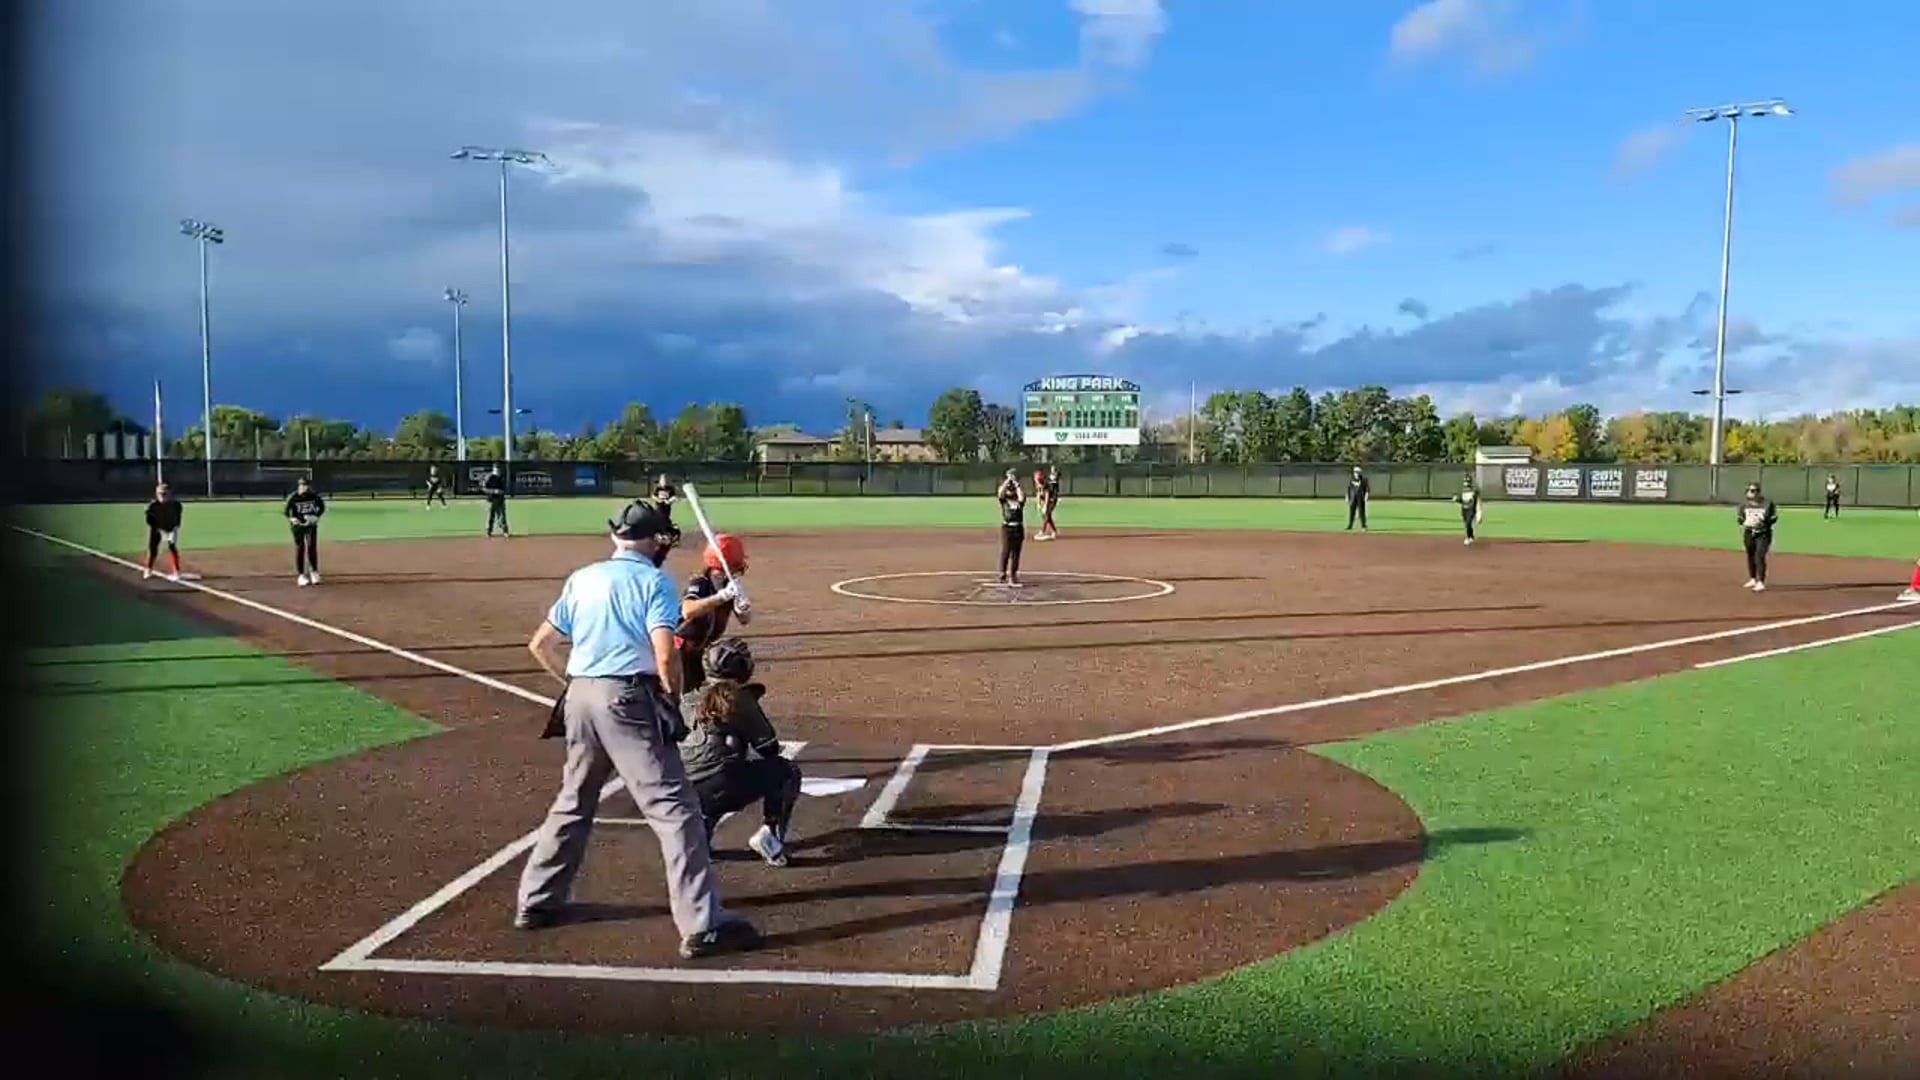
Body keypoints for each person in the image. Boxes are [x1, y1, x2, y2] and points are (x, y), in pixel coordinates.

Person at [516, 497, 762, 960]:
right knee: (677, 810)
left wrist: (578, 685)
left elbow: (541, 645)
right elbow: (666, 654)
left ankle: (537, 900)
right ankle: (702, 924)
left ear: (617, 536)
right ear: (655, 541)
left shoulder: (583, 577)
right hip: (628, 698)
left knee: (573, 800)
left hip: (580, 697)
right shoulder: (653, 582)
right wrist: (671, 699)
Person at [680, 637, 800, 867]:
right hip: (719, 786)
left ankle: (699, 841)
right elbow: (769, 747)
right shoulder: (739, 698)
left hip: (683, 788)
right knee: (787, 771)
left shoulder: (689, 696)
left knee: (715, 770)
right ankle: (771, 835)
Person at [676, 533, 750, 692]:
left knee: (702, 691)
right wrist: (721, 597)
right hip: (680, 651)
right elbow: (688, 610)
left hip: (702, 649)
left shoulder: (730, 584)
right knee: (684, 693)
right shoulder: (701, 582)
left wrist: (742, 608)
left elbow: (745, 620)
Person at [1736, 481, 1779, 592]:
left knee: (1759, 556)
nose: (1754, 493)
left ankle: (1761, 582)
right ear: (1747, 492)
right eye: (1752, 491)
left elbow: (1774, 518)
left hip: (1763, 533)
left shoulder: (1767, 503)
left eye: (1757, 491)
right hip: (1749, 533)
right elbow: (1740, 518)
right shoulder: (1744, 504)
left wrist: (1764, 522)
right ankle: (1753, 579)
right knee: (1750, 555)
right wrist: (1744, 522)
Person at [284, 476, 326, 586]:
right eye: (302, 485)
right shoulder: (293, 497)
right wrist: (292, 519)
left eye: (306, 485)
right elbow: (286, 511)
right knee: (300, 548)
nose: (304, 488)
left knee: (312, 547)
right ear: (299, 486)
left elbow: (322, 507)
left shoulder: (313, 496)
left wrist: (316, 516)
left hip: (310, 525)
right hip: (298, 526)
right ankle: (301, 575)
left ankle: (314, 572)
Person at [143, 482, 184, 581]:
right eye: (160, 494)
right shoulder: (152, 506)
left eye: (165, 494)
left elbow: (177, 520)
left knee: (172, 547)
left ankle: (176, 571)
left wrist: (174, 531)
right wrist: (161, 532)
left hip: (170, 527)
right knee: (153, 549)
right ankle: (148, 569)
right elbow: (150, 522)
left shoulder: (176, 505)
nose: (162, 496)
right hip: (156, 528)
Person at [995, 469, 1026, 587]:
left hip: (1018, 527)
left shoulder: (1019, 498)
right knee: (1006, 550)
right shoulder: (1004, 499)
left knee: (1016, 553)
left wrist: (1016, 484)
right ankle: (1002, 572)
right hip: (1007, 527)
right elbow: (1000, 493)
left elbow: (1022, 497)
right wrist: (1008, 480)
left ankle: (1013, 574)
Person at [1454, 476, 1483, 546]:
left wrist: (1479, 514)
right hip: (1464, 509)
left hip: (1471, 510)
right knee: (1467, 524)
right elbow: (1463, 501)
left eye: (1467, 481)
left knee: (1468, 523)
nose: (1466, 483)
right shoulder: (1463, 491)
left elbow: (1476, 502)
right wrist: (1457, 500)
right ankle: (1471, 536)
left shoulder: (1474, 491)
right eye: (1465, 481)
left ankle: (1467, 538)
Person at [1034, 466, 1061, 541]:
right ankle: (1054, 531)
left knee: (1046, 515)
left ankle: (1042, 531)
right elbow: (1038, 493)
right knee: (1046, 516)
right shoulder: (1038, 484)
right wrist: (1038, 503)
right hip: (1045, 500)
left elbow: (1047, 494)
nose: (1035, 479)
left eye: (1036, 478)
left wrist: (1045, 505)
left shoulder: (1045, 483)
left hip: (1051, 499)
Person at [482, 466, 509, 537]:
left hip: (500, 500)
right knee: (490, 516)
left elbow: (505, 488)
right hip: (491, 500)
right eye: (496, 470)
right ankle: (488, 531)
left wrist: (501, 491)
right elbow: (484, 489)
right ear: (493, 470)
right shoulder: (488, 478)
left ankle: (505, 531)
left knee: (502, 517)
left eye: (498, 470)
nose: (497, 472)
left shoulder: (501, 478)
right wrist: (493, 491)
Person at [1346, 466, 1370, 531]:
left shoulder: (1364, 480)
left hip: (1360, 498)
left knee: (1361, 512)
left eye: (1357, 472)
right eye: (1355, 472)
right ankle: (1350, 525)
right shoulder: (1352, 479)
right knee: (1352, 512)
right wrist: (1347, 497)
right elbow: (1349, 489)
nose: (1356, 473)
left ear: (1360, 473)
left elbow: (1367, 489)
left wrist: (1366, 497)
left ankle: (1363, 526)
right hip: (1353, 498)